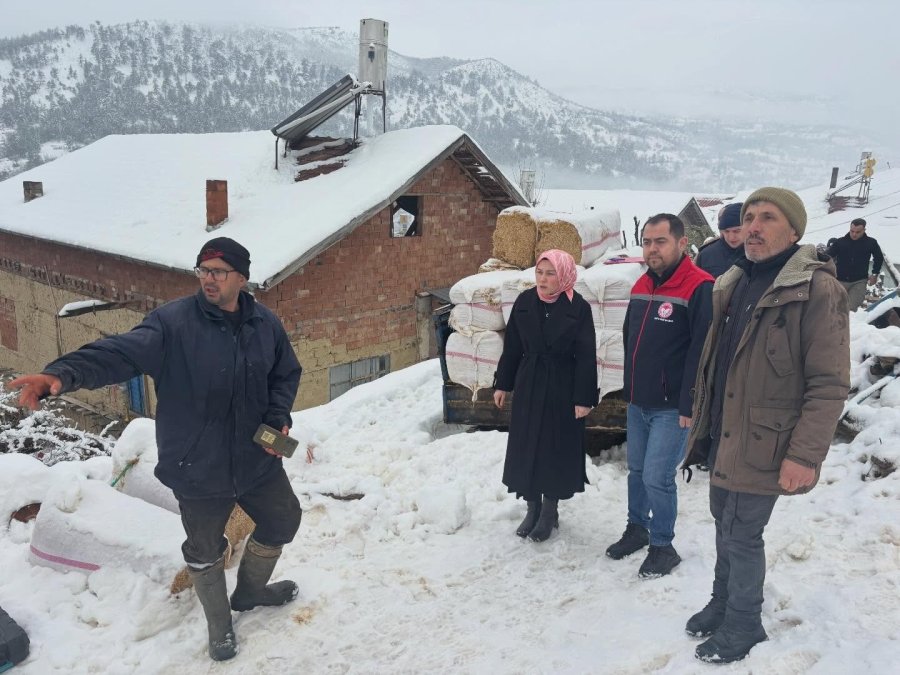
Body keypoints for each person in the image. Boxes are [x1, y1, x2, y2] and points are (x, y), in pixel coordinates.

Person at [9, 237, 303, 662]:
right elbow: (117, 353)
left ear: (242, 276)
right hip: (197, 466)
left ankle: (250, 593)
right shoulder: (172, 324)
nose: (208, 279)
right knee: (204, 551)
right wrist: (61, 375)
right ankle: (219, 625)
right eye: (203, 270)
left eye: (219, 271)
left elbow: (284, 373)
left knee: (283, 520)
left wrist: (277, 417)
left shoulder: (265, 324)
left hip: (256, 457)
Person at [682, 188, 850, 664]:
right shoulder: (735, 281)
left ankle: (744, 621)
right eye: (749, 216)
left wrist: (805, 455)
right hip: (723, 432)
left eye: (768, 218)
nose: (753, 226)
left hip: (768, 442)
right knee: (723, 521)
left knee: (742, 533)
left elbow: (829, 383)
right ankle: (722, 602)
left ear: (794, 231)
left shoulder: (817, 289)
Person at [606, 214, 713, 577]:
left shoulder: (699, 287)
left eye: (660, 241)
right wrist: (628, 388)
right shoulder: (640, 285)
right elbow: (628, 339)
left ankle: (663, 546)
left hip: (672, 408)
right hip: (639, 401)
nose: (652, 249)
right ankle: (637, 528)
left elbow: (702, 353)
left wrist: (690, 403)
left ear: (682, 244)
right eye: (647, 242)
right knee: (636, 471)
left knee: (657, 477)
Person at [493, 249, 598, 542]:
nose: (543, 279)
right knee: (528, 445)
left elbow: (587, 356)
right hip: (530, 382)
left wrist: (583, 398)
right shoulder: (525, 302)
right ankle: (532, 506)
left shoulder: (578, 308)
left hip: (562, 385)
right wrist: (503, 384)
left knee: (554, 447)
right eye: (540, 272)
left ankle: (550, 510)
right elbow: (512, 346)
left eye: (550, 273)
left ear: (563, 276)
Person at [825, 217, 884, 311]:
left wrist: (875, 274)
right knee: (834, 308)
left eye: (858, 232)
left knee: (850, 309)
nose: (854, 234)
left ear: (864, 230)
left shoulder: (871, 243)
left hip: (859, 281)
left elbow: (879, 258)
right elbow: (826, 256)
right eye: (852, 231)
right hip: (839, 280)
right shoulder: (840, 242)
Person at [695, 202, 745, 278]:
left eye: (737, 231)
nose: (731, 237)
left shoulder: (760, 252)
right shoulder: (706, 255)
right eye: (726, 231)